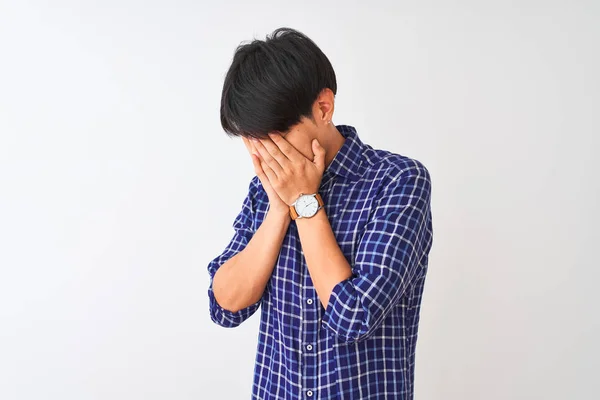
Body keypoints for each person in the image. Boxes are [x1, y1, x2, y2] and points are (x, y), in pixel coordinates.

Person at [207, 27, 433, 400]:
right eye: (252, 142)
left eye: (274, 138)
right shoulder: (264, 191)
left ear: (323, 108)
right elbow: (225, 305)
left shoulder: (398, 181)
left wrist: (306, 203)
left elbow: (353, 316)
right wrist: (281, 207)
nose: (264, 156)